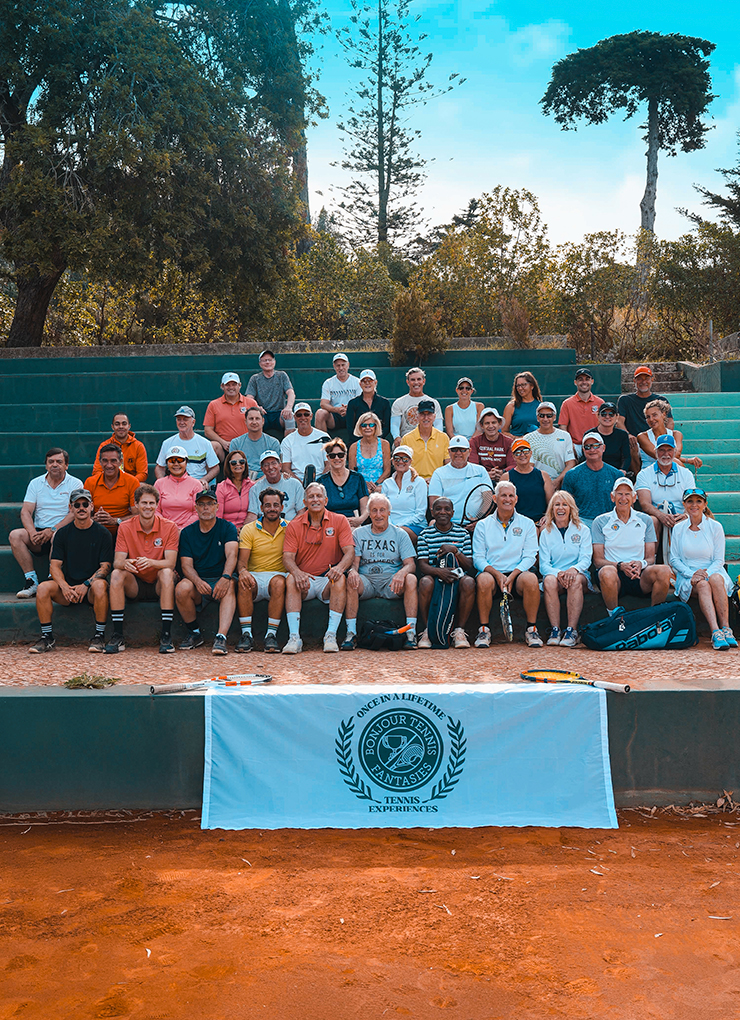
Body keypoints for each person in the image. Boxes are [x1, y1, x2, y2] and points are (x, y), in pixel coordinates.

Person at [29, 489, 112, 654]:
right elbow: (54, 566)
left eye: (85, 504)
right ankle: (47, 637)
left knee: (100, 585)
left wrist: (86, 584)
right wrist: (64, 586)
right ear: (70, 508)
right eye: (77, 505)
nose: (81, 508)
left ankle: (99, 636)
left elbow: (105, 567)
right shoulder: (62, 533)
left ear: (91, 506)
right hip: (68, 588)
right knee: (43, 588)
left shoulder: (103, 533)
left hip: (90, 589)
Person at [281, 482, 355, 654]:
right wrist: (297, 572)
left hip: (327, 580)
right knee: (291, 578)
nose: (315, 500)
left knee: (340, 578)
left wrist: (339, 568)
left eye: (319, 496)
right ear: (304, 502)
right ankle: (294, 637)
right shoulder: (294, 524)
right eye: (311, 497)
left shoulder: (340, 520)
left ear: (326, 500)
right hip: (304, 580)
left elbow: (349, 552)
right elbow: (288, 557)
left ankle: (330, 635)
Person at [105, 484, 179, 654]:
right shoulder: (125, 527)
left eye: (151, 503)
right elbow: (117, 562)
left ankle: (166, 635)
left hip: (159, 584)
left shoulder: (169, 526)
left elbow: (171, 563)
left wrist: (151, 562)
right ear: (136, 505)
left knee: (167, 573)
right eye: (144, 503)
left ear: (157, 505)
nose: (148, 507)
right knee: (116, 574)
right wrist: (126, 563)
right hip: (136, 584)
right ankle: (118, 635)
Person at [343, 492, 418, 651]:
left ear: (389, 512)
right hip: (367, 581)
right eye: (374, 510)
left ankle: (411, 632)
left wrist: (401, 573)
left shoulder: (400, 534)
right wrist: (353, 571)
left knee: (411, 579)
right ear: (369, 513)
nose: (378, 515)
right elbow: (354, 564)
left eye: (382, 510)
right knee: (351, 580)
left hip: (391, 582)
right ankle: (351, 633)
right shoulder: (358, 533)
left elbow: (410, 564)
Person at [472, 480, 542, 647]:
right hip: (492, 574)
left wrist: (513, 576)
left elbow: (530, 556)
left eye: (511, 496)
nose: (507, 499)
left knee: (531, 579)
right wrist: (497, 575)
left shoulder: (527, 524)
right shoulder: (482, 525)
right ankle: (484, 630)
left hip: (518, 575)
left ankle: (531, 630)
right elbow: (478, 558)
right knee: (483, 580)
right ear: (495, 498)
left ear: (516, 499)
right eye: (503, 495)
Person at [669, 488, 737, 650]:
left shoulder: (715, 527)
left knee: (715, 579)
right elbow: (674, 559)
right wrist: (692, 574)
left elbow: (719, 560)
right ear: (684, 505)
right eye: (690, 501)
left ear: (705, 504)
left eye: (698, 501)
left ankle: (726, 629)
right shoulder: (678, 528)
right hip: (688, 575)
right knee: (703, 585)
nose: (694, 505)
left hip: (713, 571)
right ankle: (715, 631)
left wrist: (703, 574)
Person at [591, 478, 671, 614]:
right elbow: (598, 561)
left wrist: (640, 564)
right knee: (606, 572)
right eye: (619, 494)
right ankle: (614, 616)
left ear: (634, 498)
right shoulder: (600, 521)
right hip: (614, 574)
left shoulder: (646, 520)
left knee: (664, 570)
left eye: (627, 494)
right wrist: (620, 566)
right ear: (612, 497)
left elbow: (650, 558)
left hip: (639, 574)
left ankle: (654, 617)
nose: (623, 498)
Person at [11, 448, 83, 599]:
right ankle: (31, 581)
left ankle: (53, 579)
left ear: (66, 465)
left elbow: (74, 513)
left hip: (63, 533)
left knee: (57, 535)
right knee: (15, 535)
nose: (54, 465)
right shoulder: (36, 483)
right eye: (51, 462)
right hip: (39, 533)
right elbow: (26, 511)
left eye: (59, 462)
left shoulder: (75, 483)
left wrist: (52, 530)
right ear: (46, 465)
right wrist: (32, 533)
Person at [175, 490, 239, 655]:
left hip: (221, 577)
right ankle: (194, 633)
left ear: (217, 506)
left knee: (230, 585)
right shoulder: (187, 532)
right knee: (181, 588)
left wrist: (225, 577)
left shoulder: (227, 527)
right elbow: (186, 565)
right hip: (199, 581)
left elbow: (232, 555)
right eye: (202, 504)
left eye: (210, 504)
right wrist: (197, 581)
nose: (206, 508)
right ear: (195, 507)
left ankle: (221, 637)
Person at [417, 497, 475, 650]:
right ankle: (429, 630)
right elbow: (422, 565)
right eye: (438, 509)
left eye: (447, 509)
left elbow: (468, 564)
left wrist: (455, 550)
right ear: (432, 512)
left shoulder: (462, 533)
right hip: (435, 576)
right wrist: (439, 572)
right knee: (425, 582)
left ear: (452, 513)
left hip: (457, 575)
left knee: (469, 582)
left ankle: (459, 631)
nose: (443, 512)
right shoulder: (425, 534)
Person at [236, 488, 288, 654]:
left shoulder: (290, 528)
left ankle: (271, 635)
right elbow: (242, 562)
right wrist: (243, 571)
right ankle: (246, 635)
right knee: (243, 581)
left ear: (281, 507)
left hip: (279, 575)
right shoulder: (249, 529)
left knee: (279, 583)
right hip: (255, 576)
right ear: (261, 508)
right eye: (267, 505)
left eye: (275, 505)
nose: (272, 508)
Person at [538, 492, 593, 648]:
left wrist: (573, 570)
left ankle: (571, 631)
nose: (560, 508)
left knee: (575, 581)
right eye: (557, 505)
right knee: (548, 580)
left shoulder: (583, 530)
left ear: (571, 508)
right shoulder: (546, 532)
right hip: (556, 575)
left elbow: (586, 559)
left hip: (578, 574)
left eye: (564, 505)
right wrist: (559, 574)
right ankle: (555, 630)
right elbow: (543, 565)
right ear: (552, 509)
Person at [635, 434, 696, 544]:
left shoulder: (686, 474)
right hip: (656, 515)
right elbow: (645, 504)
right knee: (652, 521)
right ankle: (652, 554)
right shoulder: (644, 474)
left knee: (690, 519)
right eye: (662, 450)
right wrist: (661, 515)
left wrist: (685, 515)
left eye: (669, 450)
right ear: (656, 452)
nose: (666, 454)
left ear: (674, 452)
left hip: (679, 514)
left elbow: (692, 500)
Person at [561, 432, 623, 528]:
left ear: (603, 448)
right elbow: (565, 503)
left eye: (596, 446)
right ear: (583, 450)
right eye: (587, 447)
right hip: (582, 522)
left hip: (610, 521)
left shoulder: (616, 475)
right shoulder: (572, 475)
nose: (592, 450)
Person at [428, 435, 492, 525]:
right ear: (449, 451)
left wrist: (478, 519)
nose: (458, 453)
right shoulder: (439, 473)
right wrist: (447, 523)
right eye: (454, 450)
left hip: (478, 523)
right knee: (432, 523)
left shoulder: (480, 471)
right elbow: (434, 505)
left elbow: (488, 499)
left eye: (462, 450)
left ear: (469, 451)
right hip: (446, 524)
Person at [154, 406, 220, 487]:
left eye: (185, 419)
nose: (181, 422)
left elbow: (215, 468)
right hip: (175, 484)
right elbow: (160, 467)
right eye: (179, 419)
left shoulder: (204, 443)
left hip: (198, 484)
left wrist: (204, 479)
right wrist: (162, 482)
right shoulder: (167, 443)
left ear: (193, 422)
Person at [203, 372, 258, 463]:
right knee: (213, 445)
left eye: (234, 384)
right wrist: (223, 442)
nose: (231, 387)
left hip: (247, 445)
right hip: (224, 447)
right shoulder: (213, 405)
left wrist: (246, 442)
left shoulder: (251, 403)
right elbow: (208, 430)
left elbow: (258, 425)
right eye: (227, 385)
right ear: (222, 386)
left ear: (239, 385)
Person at [84, 444, 138, 534]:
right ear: (100, 462)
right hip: (96, 532)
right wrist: (94, 519)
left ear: (120, 462)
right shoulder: (90, 482)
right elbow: (82, 512)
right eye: (105, 461)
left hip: (123, 531)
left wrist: (116, 520)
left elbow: (137, 515)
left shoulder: (132, 482)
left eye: (113, 461)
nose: (109, 465)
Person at [501, 437, 553, 529]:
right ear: (513, 456)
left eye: (525, 451)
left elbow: (551, 503)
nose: (522, 455)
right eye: (518, 452)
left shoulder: (543, 475)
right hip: (517, 521)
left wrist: (548, 516)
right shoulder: (506, 477)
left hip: (540, 521)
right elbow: (502, 503)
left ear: (531, 453)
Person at [317, 438, 369, 528]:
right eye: (332, 456)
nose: (337, 458)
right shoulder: (321, 481)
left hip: (354, 524)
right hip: (330, 525)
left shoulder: (357, 478)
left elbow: (366, 508)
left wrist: (359, 520)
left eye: (340, 455)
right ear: (328, 458)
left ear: (345, 456)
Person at [381, 445, 428, 542]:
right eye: (397, 458)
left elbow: (420, 513)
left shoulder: (419, 482)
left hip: (414, 526)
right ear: (392, 461)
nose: (401, 462)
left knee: (400, 533)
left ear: (410, 461)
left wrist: (398, 526)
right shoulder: (386, 483)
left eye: (405, 459)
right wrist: (390, 526)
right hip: (390, 526)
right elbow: (383, 509)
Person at [637, 399, 702, 469]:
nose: (651, 419)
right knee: (676, 463)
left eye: (654, 415)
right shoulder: (642, 436)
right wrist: (686, 461)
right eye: (648, 417)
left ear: (664, 414)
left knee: (675, 463)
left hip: (671, 470)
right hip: (650, 472)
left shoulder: (676, 434)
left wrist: (687, 460)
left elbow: (676, 455)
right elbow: (659, 456)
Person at [245, 450, 304, 524]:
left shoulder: (295, 484)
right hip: (264, 528)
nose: (270, 467)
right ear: (262, 469)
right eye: (266, 465)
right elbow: (252, 514)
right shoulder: (255, 489)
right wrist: (245, 528)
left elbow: (301, 512)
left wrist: (291, 527)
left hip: (291, 526)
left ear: (280, 465)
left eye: (274, 463)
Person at [526, 402, 576, 487]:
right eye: (542, 415)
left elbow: (570, 463)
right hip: (537, 482)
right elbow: (529, 465)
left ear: (554, 417)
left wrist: (557, 481)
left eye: (549, 415)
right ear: (537, 418)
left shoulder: (565, 436)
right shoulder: (528, 438)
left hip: (560, 482)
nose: (545, 419)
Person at [557, 368, 604, 458]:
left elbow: (604, 425)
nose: (584, 382)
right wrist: (569, 445)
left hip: (595, 444)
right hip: (575, 445)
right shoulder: (567, 403)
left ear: (592, 381)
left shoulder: (600, 402)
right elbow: (563, 427)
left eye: (587, 379)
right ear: (575, 382)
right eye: (580, 379)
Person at [245, 349, 296, 431]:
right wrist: (257, 408)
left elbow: (290, 392)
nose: (267, 362)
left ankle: (290, 440)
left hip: (279, 413)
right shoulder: (255, 378)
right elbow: (249, 397)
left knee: (290, 417)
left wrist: (288, 408)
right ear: (260, 363)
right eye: (264, 360)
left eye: (270, 360)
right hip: (262, 413)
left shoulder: (282, 375)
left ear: (274, 362)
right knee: (252, 418)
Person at [154, 447, 203, 529]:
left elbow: (197, 512)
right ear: (167, 464)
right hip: (164, 528)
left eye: (180, 460)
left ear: (186, 462)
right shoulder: (159, 483)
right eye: (172, 460)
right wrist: (168, 527)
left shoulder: (196, 484)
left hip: (189, 529)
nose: (176, 464)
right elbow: (155, 510)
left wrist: (183, 529)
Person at [280, 403, 330, 484]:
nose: (303, 417)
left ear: (311, 416)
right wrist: (300, 484)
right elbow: (285, 468)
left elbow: (329, 464)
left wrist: (319, 483)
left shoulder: (324, 437)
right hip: (296, 481)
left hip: (320, 480)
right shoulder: (287, 441)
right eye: (299, 415)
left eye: (306, 414)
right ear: (295, 417)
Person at [390, 367, 443, 442]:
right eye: (412, 380)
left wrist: (436, 439)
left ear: (423, 381)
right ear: (408, 382)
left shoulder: (433, 402)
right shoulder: (399, 402)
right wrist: (397, 437)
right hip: (406, 441)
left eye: (419, 379)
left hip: (427, 441)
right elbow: (395, 424)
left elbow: (438, 424)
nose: (416, 382)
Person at [228, 407, 281, 478]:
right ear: (245, 421)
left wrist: (258, 482)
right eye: (251, 419)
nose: (254, 422)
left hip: (268, 479)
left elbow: (276, 468)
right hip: (243, 479)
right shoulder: (236, 443)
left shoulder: (273, 443)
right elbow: (234, 468)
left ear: (263, 421)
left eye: (257, 418)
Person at [93, 413, 148, 482]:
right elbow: (97, 471)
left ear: (129, 426)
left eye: (124, 424)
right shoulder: (104, 445)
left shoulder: (138, 446)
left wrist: (128, 483)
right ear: (112, 427)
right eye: (117, 424)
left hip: (131, 484)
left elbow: (142, 474)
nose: (121, 426)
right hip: (109, 483)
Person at [314, 354, 362, 432]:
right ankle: (322, 439)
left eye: (343, 365)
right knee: (320, 413)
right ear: (334, 366)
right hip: (335, 415)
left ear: (348, 365)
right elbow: (323, 404)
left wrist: (349, 409)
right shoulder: (328, 383)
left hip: (353, 415)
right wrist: (336, 409)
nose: (341, 368)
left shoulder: (357, 382)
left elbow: (361, 402)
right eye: (338, 365)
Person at [405, 399, 450, 481]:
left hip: (438, 481)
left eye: (429, 414)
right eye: (422, 414)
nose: (426, 418)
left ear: (434, 417)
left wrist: (435, 479)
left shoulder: (443, 437)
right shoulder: (407, 439)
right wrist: (418, 480)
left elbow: (447, 465)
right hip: (413, 481)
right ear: (417, 417)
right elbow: (404, 466)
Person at [468, 407, 514, 483]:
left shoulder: (509, 442)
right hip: (480, 480)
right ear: (482, 426)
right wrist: (486, 474)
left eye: (494, 422)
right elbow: (473, 465)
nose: (491, 426)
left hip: (504, 479)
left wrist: (503, 472)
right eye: (487, 423)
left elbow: (513, 465)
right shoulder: (474, 442)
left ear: (499, 424)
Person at [348, 412, 391, 492]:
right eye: (364, 425)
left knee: (379, 490)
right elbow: (352, 472)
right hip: (360, 484)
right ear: (360, 427)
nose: (367, 428)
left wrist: (376, 484)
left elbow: (387, 471)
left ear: (376, 427)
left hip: (380, 483)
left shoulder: (384, 444)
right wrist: (364, 484)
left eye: (371, 425)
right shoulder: (354, 447)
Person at [346, 369, 392, 439]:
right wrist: (362, 441)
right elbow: (350, 428)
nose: (367, 383)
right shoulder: (352, 403)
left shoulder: (384, 403)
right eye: (364, 381)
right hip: (357, 441)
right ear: (360, 384)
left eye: (370, 380)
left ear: (375, 382)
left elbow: (386, 427)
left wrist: (375, 440)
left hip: (379, 441)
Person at [215, 450, 254, 530]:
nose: (238, 464)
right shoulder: (221, 487)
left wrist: (244, 529)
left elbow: (255, 513)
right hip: (227, 529)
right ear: (228, 466)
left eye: (241, 462)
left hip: (248, 530)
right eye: (233, 463)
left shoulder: (252, 486)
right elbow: (218, 516)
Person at [594, 402, 635, 474]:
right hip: (596, 472)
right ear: (598, 415)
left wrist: (622, 470)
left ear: (617, 416)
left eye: (611, 414)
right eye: (603, 414)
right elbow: (586, 457)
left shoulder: (622, 435)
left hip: (616, 472)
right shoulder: (591, 434)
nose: (607, 417)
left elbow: (626, 457)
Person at [501, 372, 542, 437]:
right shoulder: (511, 406)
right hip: (517, 441)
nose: (520, 388)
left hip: (536, 440)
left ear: (532, 386)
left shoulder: (540, 406)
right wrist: (517, 438)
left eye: (523, 385)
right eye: (518, 386)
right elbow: (504, 431)